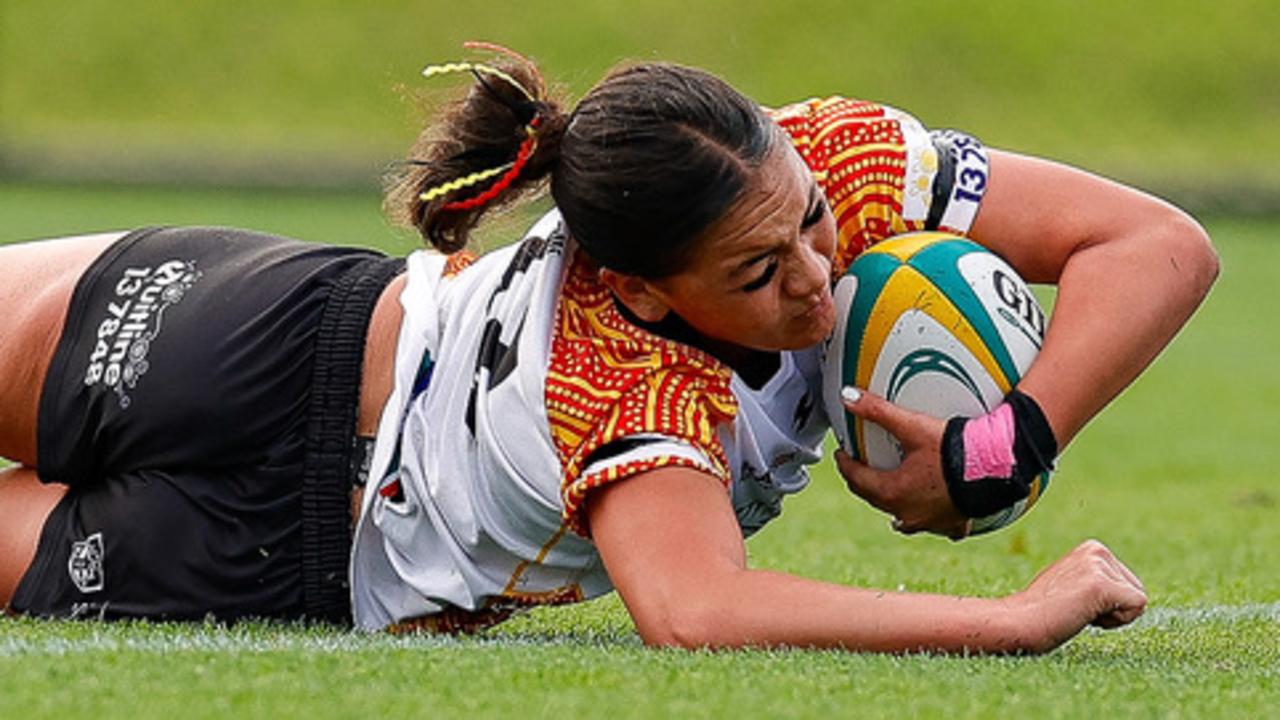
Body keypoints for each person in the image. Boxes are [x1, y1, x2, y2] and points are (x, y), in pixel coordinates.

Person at [0, 45, 1217, 653]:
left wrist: (1005, 444)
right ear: (638, 290)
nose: (815, 277)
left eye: (805, 220)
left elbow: (1157, 245)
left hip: (288, 543)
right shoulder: (624, 371)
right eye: (756, 273)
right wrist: (1008, 618)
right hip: (263, 326)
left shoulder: (836, 159)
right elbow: (693, 606)